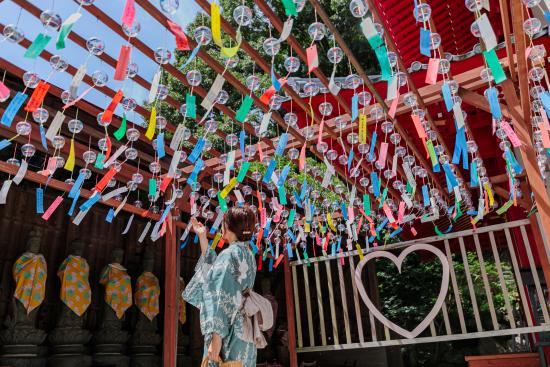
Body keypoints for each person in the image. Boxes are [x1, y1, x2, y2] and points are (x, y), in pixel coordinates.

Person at [183, 206, 258, 367]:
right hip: (245, 333)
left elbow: (221, 296)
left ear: (229, 225)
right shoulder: (248, 254)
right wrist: (203, 237)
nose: (221, 226)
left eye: (223, 222)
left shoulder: (229, 254)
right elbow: (215, 271)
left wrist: (215, 341)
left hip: (227, 333)